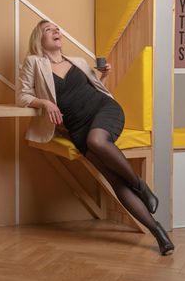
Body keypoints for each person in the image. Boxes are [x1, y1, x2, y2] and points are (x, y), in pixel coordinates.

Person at [17, 19, 174, 255]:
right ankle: (159, 233)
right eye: (48, 30)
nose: (55, 31)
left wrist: (102, 76)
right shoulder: (34, 63)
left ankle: (141, 186)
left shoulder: (78, 61)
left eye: (57, 28)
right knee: (115, 181)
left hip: (104, 110)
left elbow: (91, 90)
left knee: (97, 141)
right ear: (39, 40)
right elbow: (22, 96)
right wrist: (46, 102)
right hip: (78, 126)